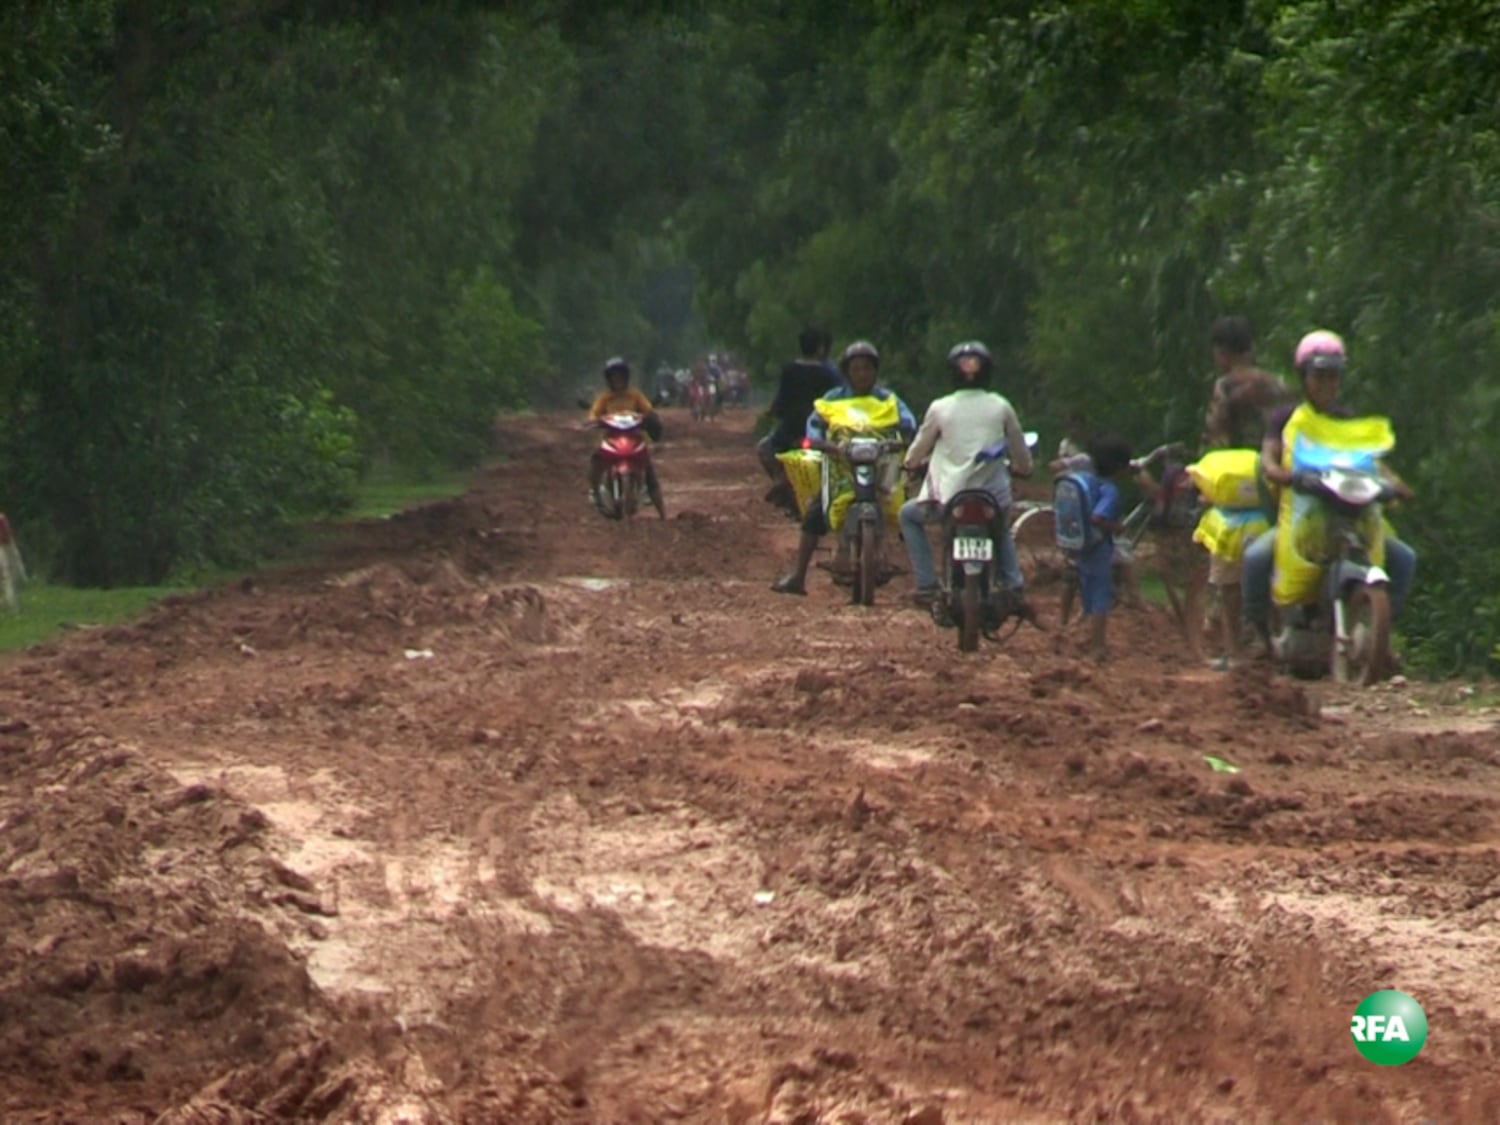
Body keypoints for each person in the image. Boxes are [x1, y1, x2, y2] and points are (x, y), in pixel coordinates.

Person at [1241, 330, 1416, 655]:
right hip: (1303, 518)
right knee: (1255, 558)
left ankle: (1379, 639)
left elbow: (1371, 461)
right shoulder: (1286, 418)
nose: (1327, 384)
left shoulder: (1346, 420)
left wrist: (1398, 486)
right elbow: (1269, 457)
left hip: (1351, 513)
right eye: (1319, 376)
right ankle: (1258, 634)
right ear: (1304, 376)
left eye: (1333, 376)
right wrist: (1285, 474)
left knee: (1404, 559)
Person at [770, 341, 917, 595]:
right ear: (848, 371)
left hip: (880, 465)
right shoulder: (833, 398)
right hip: (841, 465)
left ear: (875, 371)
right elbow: (815, 422)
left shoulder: (889, 400)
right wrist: (820, 441)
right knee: (816, 511)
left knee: (909, 510)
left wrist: (903, 436)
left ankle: (921, 581)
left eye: (868, 368)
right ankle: (798, 576)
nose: (862, 374)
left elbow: (908, 422)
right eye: (857, 368)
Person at [1193, 315, 1296, 668]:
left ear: (1221, 351)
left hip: (1240, 484)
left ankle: (1236, 651)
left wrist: (1205, 484)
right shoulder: (1278, 384)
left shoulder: (1226, 387)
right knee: (1276, 561)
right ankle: (1278, 641)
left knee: (1228, 568)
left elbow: (1216, 440)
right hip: (1279, 481)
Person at [899, 340, 1034, 609]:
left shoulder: (940, 407)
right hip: (992, 499)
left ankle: (926, 584)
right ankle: (1014, 585)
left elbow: (918, 450)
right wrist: (1024, 469)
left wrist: (910, 463)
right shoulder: (1001, 405)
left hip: (948, 500)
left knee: (907, 515)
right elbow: (1020, 450)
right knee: (1000, 530)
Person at [758, 325, 842, 513]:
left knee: (765, 448)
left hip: (790, 429)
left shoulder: (789, 370)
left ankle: (781, 481)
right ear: (821, 347)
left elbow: (781, 400)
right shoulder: (829, 373)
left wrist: (773, 412)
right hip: (819, 430)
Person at [1071, 432, 1133, 662]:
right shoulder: (1110, 490)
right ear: (1118, 467)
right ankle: (1097, 646)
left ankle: (1082, 637)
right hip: (1099, 547)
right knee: (1100, 596)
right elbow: (1098, 517)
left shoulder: (1088, 481)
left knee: (1087, 588)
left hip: (1082, 545)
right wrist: (1116, 527)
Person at [587, 357, 666, 518]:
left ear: (626, 378)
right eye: (614, 377)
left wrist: (649, 418)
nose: (618, 380)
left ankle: (662, 513)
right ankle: (594, 491)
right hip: (611, 437)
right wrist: (594, 421)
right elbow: (594, 414)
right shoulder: (605, 398)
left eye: (620, 377)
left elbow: (648, 410)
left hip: (634, 436)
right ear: (609, 379)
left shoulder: (635, 395)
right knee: (596, 459)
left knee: (648, 470)